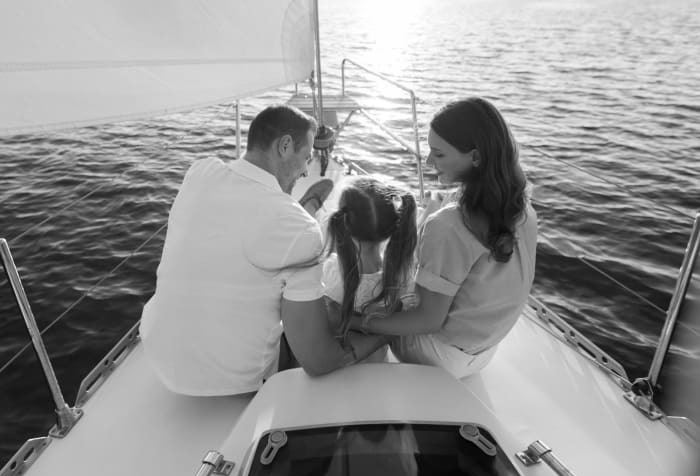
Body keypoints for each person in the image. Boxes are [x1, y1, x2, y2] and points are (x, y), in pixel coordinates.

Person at [140, 104, 388, 396]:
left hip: (157, 351)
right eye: (306, 157)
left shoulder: (200, 171)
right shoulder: (301, 231)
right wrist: (383, 334)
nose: (307, 169)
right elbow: (319, 360)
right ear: (284, 145)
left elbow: (241, 208)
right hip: (235, 381)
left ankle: (304, 207)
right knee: (325, 315)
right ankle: (304, 210)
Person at [349, 97, 537, 379]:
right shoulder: (522, 206)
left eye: (438, 154)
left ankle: (362, 367)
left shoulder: (450, 226)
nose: (427, 161)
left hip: (439, 357)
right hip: (483, 352)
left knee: (357, 292)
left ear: (475, 157)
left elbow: (427, 320)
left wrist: (359, 320)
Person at [321, 177, 417, 361]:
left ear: (342, 223)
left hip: (338, 373)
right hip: (377, 372)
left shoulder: (331, 272)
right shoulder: (401, 278)